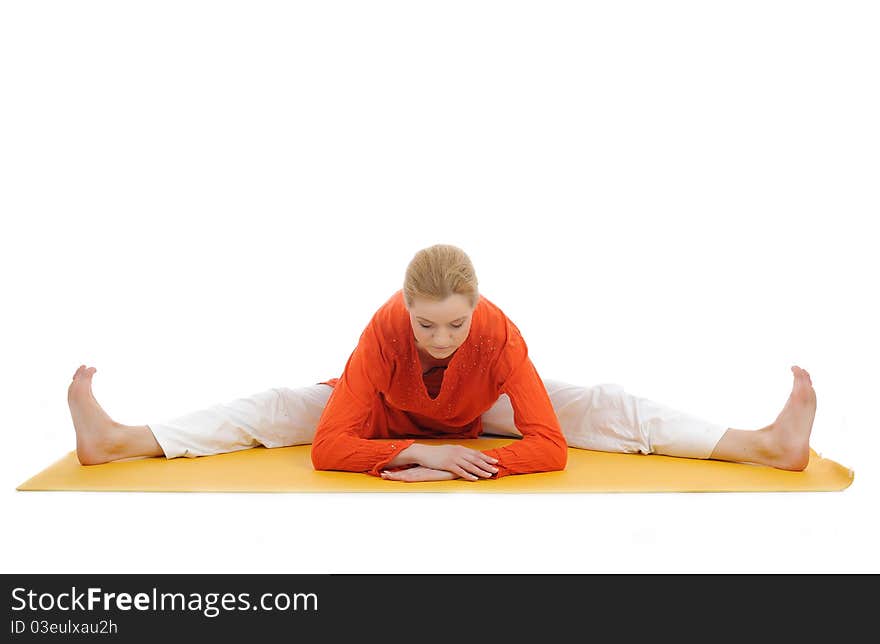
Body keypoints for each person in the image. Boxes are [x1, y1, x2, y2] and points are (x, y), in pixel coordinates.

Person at [67, 244, 817, 483]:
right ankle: (118, 441)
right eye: (425, 324)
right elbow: (330, 448)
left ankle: (763, 446)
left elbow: (551, 449)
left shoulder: (497, 336)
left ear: (476, 310)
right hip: (389, 410)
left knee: (603, 402)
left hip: (478, 406)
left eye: (453, 324)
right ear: (404, 309)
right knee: (272, 407)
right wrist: (422, 452)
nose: (439, 338)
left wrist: (465, 457)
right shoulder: (382, 333)